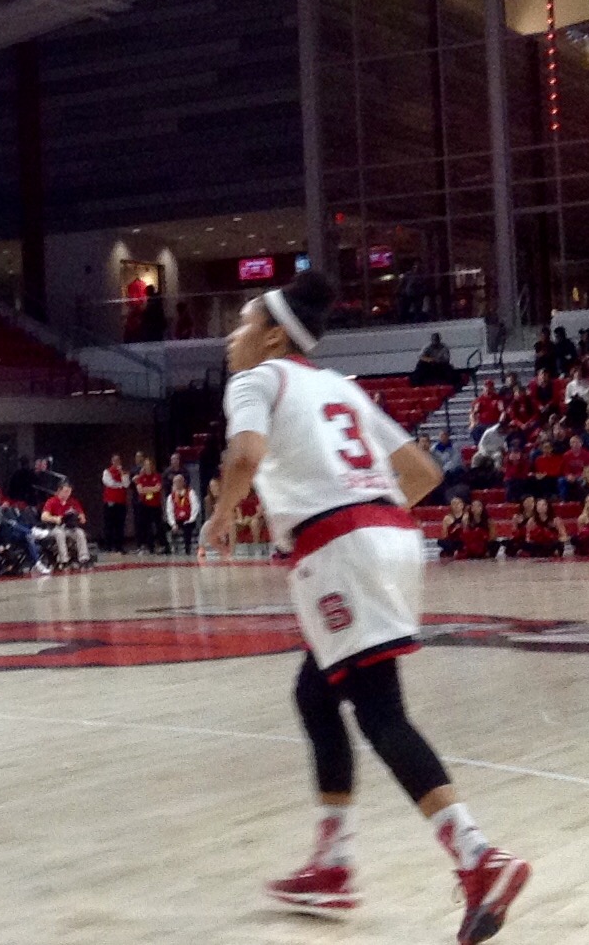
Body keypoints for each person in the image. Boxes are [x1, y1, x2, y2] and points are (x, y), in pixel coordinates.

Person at [202, 270, 528, 940]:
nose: (232, 337)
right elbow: (423, 472)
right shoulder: (338, 386)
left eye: (242, 323)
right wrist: (367, 516)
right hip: (388, 536)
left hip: (338, 547)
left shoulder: (255, 380)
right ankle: (332, 862)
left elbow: (245, 454)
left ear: (272, 336)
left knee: (380, 711)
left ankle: (478, 857)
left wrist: (221, 516)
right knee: (316, 695)